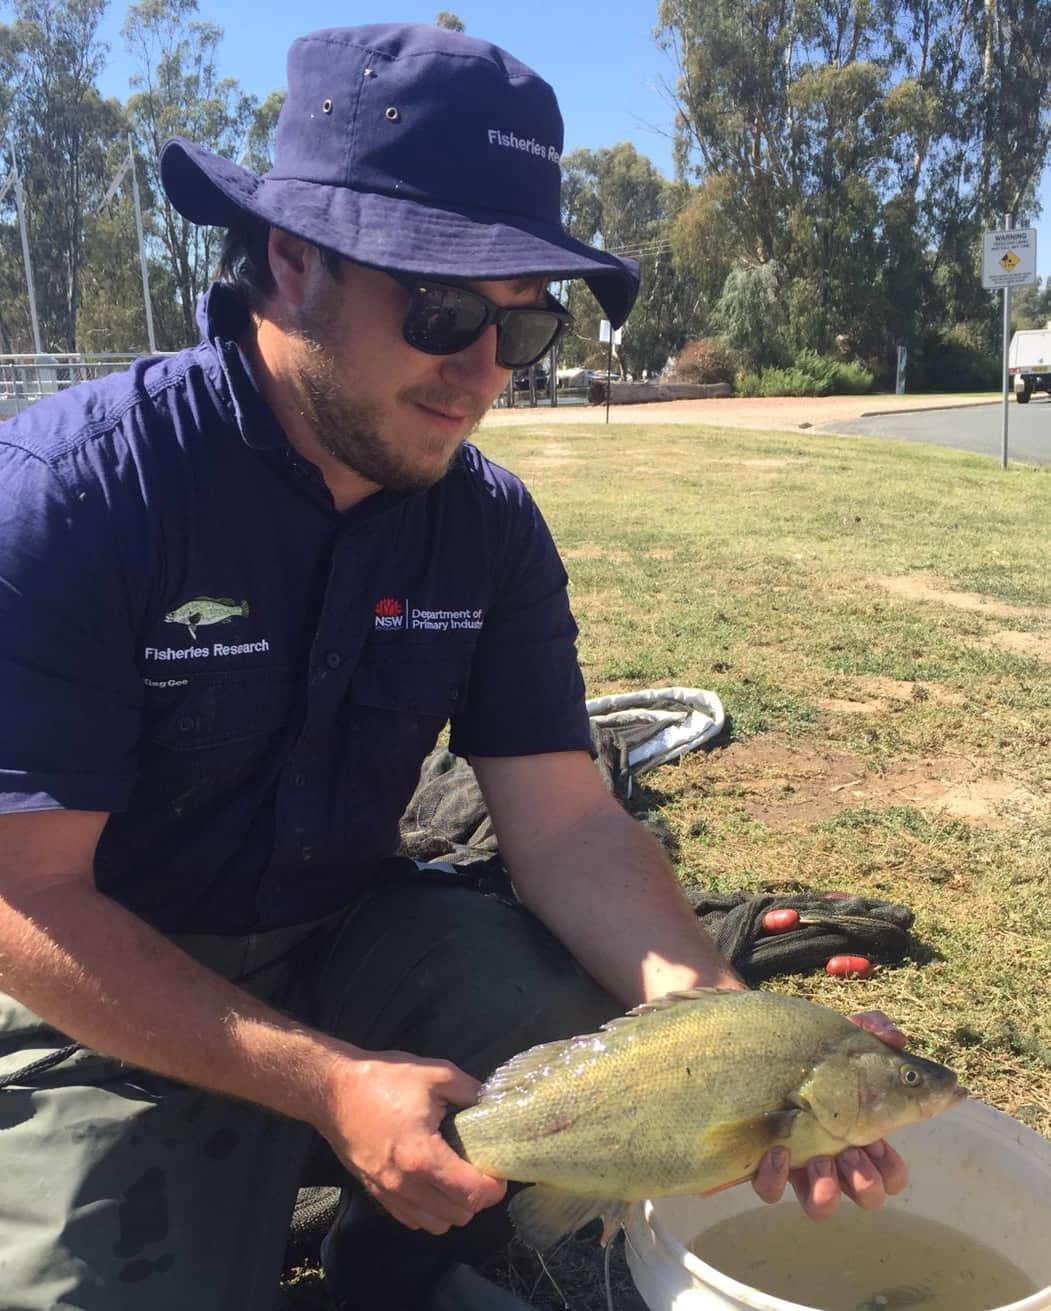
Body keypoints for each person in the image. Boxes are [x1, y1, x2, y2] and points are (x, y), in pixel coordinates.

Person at [0, 22, 908, 1311]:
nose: (482, 374)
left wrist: (747, 1038)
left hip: (357, 931)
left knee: (562, 1019)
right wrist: (323, 1082)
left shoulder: (486, 523)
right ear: (289, 259)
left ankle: (407, 1259)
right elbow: (26, 903)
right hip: (114, 989)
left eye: (521, 330)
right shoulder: (77, 495)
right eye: (438, 311)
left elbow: (566, 821)